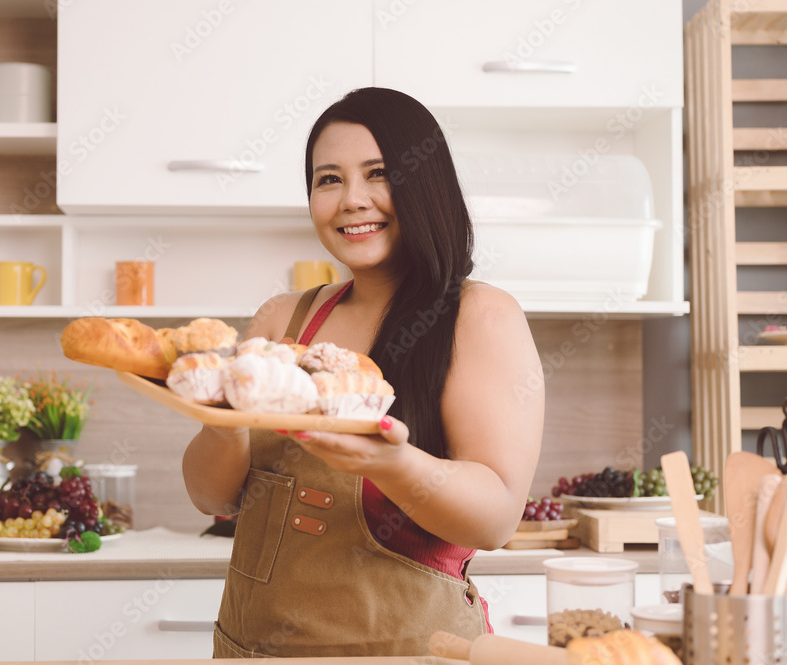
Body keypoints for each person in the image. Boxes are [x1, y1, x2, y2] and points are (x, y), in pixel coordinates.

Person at [182, 87, 544, 658]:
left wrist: (395, 463)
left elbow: (495, 520)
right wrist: (220, 420)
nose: (352, 200)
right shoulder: (285, 318)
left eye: (378, 174)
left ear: (427, 185)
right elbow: (210, 497)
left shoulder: (480, 316)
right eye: (329, 179)